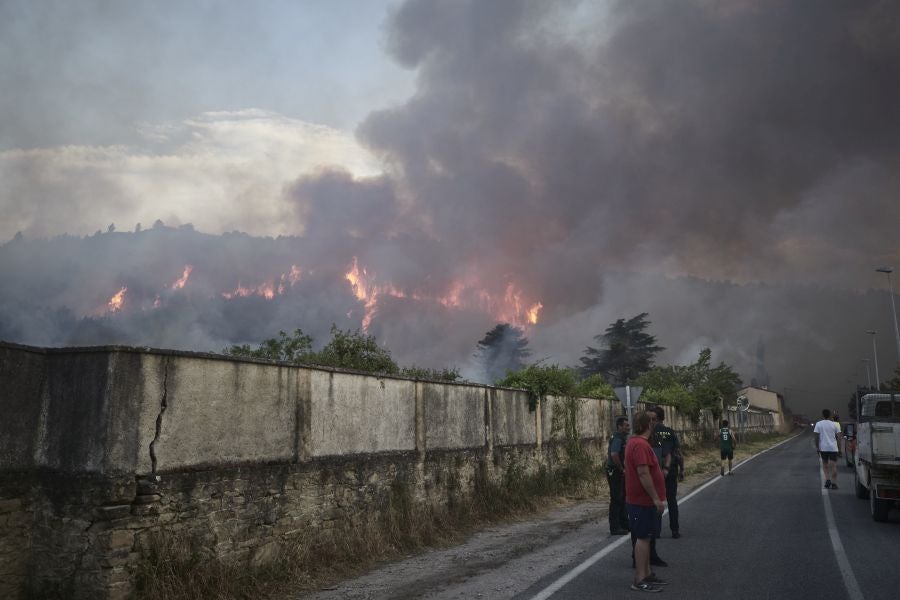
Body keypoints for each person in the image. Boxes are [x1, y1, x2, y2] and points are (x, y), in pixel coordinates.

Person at [625, 410, 668, 592]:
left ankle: (647, 573)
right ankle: (639, 579)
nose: (655, 423)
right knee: (642, 539)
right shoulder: (640, 445)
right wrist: (656, 498)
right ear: (648, 424)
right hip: (643, 501)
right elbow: (643, 473)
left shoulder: (637, 443)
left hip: (643, 501)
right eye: (652, 421)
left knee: (647, 538)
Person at [653, 406, 681, 538]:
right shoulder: (670, 432)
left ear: (654, 417)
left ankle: (656, 531)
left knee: (655, 499)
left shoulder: (650, 432)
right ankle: (674, 530)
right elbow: (677, 451)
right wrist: (682, 469)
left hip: (655, 469)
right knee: (671, 500)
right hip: (672, 468)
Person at [607, 416, 631, 535]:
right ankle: (615, 527)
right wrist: (622, 469)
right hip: (615, 471)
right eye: (626, 425)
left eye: (628, 425)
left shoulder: (622, 437)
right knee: (617, 499)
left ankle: (624, 524)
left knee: (622, 498)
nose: (628, 427)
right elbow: (614, 454)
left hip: (618, 471)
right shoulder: (617, 438)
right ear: (620, 426)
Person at [814, 408, 842, 489]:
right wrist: (840, 449)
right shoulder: (835, 424)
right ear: (830, 415)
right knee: (834, 466)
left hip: (823, 448)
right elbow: (839, 438)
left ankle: (827, 480)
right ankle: (834, 483)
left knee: (825, 465)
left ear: (822, 415)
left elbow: (816, 436)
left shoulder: (819, 424)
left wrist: (817, 447)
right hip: (833, 448)